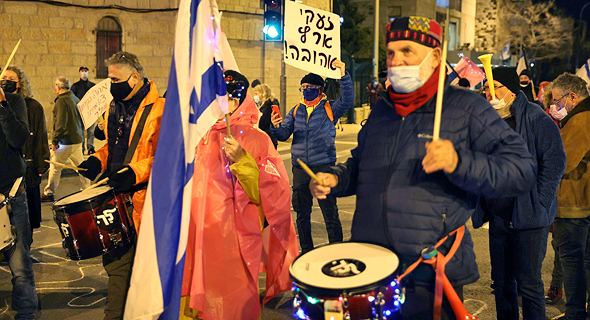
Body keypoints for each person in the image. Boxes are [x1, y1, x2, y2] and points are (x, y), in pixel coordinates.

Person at [309, 16, 536, 319]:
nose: (396, 61)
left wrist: (459, 162)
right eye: (391, 53)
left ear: (435, 57)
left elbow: (522, 169)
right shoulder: (383, 109)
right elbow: (361, 165)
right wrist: (335, 179)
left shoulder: (466, 107)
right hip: (371, 265)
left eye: (407, 51)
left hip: (429, 272)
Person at [181, 70, 298, 320]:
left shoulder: (257, 138)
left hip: (235, 237)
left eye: (228, 98)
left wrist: (242, 160)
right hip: (197, 234)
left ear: (240, 99)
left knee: (231, 301)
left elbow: (271, 193)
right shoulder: (199, 136)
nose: (221, 104)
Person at [76, 52, 165, 320]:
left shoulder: (160, 109)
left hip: (146, 204)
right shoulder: (114, 106)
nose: (110, 84)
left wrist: (133, 173)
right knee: (117, 268)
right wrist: (96, 161)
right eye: (109, 78)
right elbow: (114, 150)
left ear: (135, 77)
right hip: (117, 202)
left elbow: (166, 159)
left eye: (115, 78)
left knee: (144, 276)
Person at [474, 67, 565, 320]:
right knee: (501, 284)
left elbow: (555, 161)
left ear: (511, 91)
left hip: (529, 218)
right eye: (485, 89)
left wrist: (539, 202)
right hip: (499, 217)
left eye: (494, 88)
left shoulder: (535, 117)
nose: (488, 93)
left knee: (529, 285)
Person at [271, 59, 354, 254]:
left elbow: (348, 100)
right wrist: (275, 127)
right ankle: (306, 252)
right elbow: (284, 134)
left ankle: (336, 252)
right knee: (302, 214)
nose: (306, 90)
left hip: (323, 166)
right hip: (300, 169)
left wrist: (343, 73)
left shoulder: (330, 108)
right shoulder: (296, 110)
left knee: (330, 213)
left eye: (310, 87)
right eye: (303, 87)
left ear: (321, 89)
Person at [551, 73, 590, 320]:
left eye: (557, 101)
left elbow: (563, 162)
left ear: (572, 96)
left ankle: (575, 313)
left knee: (572, 261)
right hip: (582, 200)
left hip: (574, 203)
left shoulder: (580, 120)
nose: (555, 106)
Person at [0, 87, 38, 319]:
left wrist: (2, 107)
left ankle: (25, 313)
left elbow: (19, 138)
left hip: (11, 195)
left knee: (20, 266)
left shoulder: (13, 102)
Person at [2, 65, 49, 235]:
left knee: (27, 217)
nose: (6, 81)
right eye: (3, 78)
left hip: (27, 165)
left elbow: (39, 136)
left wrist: (41, 166)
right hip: (6, 166)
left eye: (11, 79)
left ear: (19, 83)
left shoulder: (32, 106)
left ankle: (26, 246)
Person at [41, 76, 89, 202]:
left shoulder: (61, 101)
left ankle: (49, 192)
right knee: (81, 166)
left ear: (58, 87)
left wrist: (55, 141)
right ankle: (87, 189)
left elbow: (61, 123)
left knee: (55, 168)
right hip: (77, 139)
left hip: (65, 142)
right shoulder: (75, 98)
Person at [71, 66, 97, 154]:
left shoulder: (92, 86)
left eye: (86, 71)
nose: (84, 73)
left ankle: (90, 147)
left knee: (91, 131)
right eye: (82, 71)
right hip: (80, 112)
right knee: (80, 131)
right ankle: (81, 149)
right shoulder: (75, 86)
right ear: (79, 73)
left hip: (91, 111)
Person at [253, 83, 278, 149]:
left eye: (256, 94)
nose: (255, 96)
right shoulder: (263, 106)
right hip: (267, 138)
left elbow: (262, 123)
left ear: (263, 93)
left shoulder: (268, 106)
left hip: (268, 139)